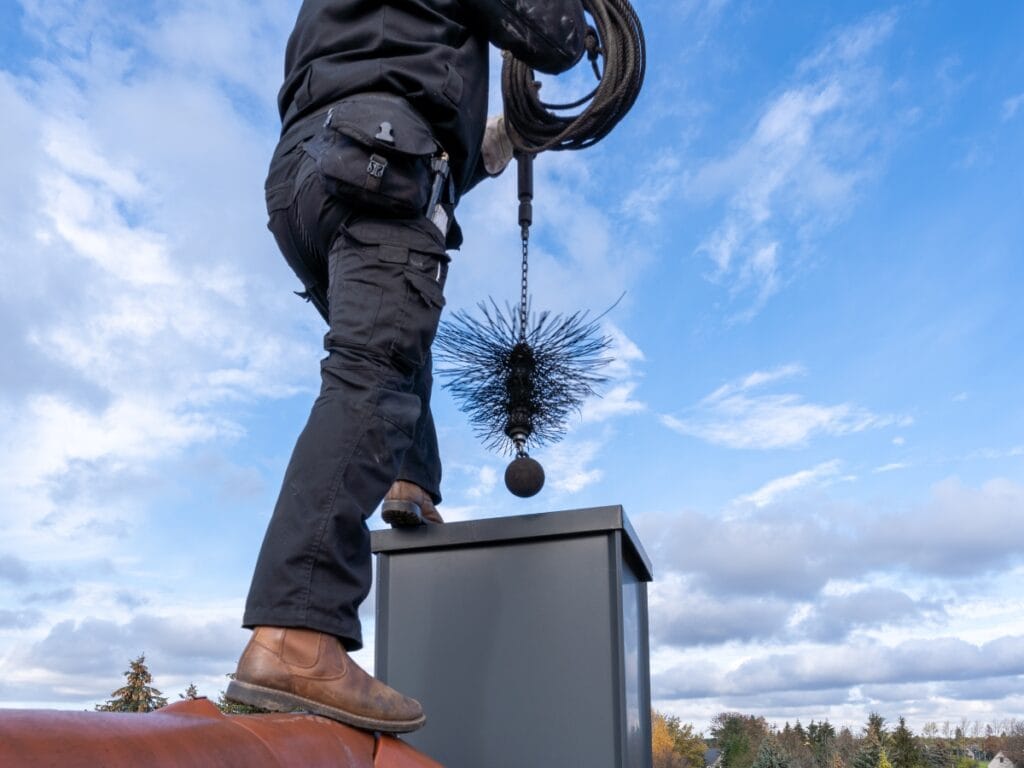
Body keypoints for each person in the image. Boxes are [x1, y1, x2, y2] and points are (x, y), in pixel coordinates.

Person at [226, 0, 587, 733]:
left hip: (307, 177)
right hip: (376, 160)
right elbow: (553, 36)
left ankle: (410, 480)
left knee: (391, 341)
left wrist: (487, 147)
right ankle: (297, 634)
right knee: (375, 372)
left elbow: (389, 78)